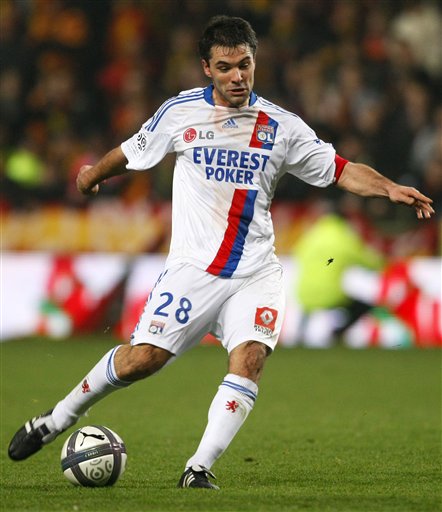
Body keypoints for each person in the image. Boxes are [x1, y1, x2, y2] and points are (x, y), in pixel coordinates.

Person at [8, 15, 435, 489]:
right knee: (141, 359)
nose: (237, 76)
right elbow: (133, 151)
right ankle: (58, 418)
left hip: (255, 271)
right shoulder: (180, 112)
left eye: (245, 65)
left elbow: (341, 169)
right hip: (193, 270)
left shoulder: (282, 126)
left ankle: (199, 467)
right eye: (226, 67)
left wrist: (389, 188)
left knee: (250, 358)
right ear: (206, 68)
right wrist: (93, 175)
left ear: (255, 62)